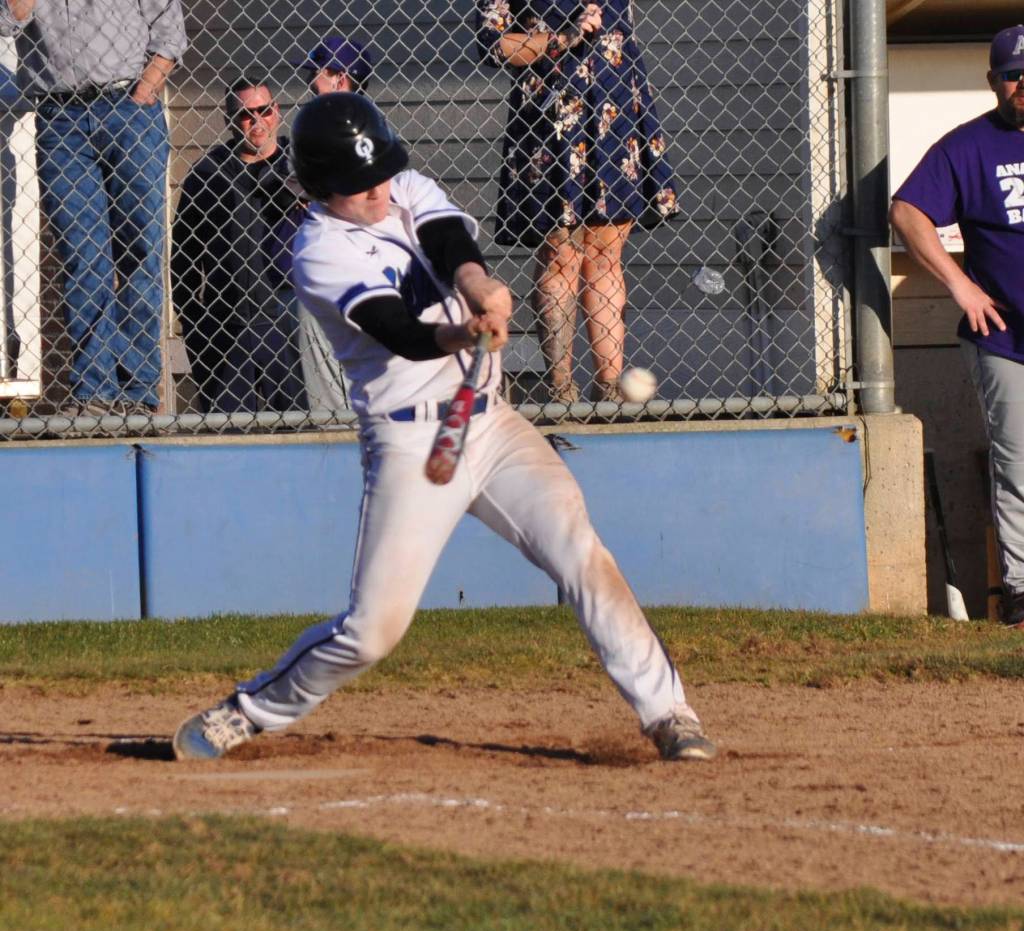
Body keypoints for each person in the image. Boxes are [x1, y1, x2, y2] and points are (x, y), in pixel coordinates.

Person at [173, 93, 715, 763]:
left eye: (380, 174)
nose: (377, 190)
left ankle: (668, 712)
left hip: (490, 424)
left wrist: (481, 286)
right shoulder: (318, 251)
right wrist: (463, 328)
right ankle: (249, 709)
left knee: (580, 550)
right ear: (320, 188)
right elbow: (396, 328)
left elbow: (448, 242)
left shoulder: (404, 185)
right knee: (372, 631)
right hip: (410, 445)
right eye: (358, 184)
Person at [475, 0, 681, 404]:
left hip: (616, 104)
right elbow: (492, 45)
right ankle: (562, 391)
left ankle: (610, 388)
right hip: (551, 111)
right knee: (561, 252)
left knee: (607, 252)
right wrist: (564, 38)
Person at [890, 24, 1024, 628]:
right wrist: (958, 284)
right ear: (994, 81)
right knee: (1018, 465)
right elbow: (908, 210)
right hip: (1006, 339)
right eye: (1014, 75)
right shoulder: (968, 146)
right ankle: (1021, 595)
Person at [0, 0, 187, 417]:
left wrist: (145, 90)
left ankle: (137, 388)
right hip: (59, 118)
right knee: (83, 256)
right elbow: (5, 25)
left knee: (140, 249)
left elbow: (169, 30)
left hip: (129, 108)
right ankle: (96, 391)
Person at [171, 78, 307, 414]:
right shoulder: (208, 173)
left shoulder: (303, 166)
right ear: (229, 120)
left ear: (277, 112)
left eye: (264, 110)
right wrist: (193, 320)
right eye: (246, 114)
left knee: (301, 424)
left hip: (289, 321)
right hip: (226, 324)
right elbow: (184, 256)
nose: (257, 121)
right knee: (227, 432)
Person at [284, 35, 376, 417]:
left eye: (319, 73)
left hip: (361, 257)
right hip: (328, 253)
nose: (311, 81)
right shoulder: (312, 124)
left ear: (341, 77)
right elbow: (303, 185)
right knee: (326, 369)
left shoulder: (362, 124)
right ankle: (337, 429)